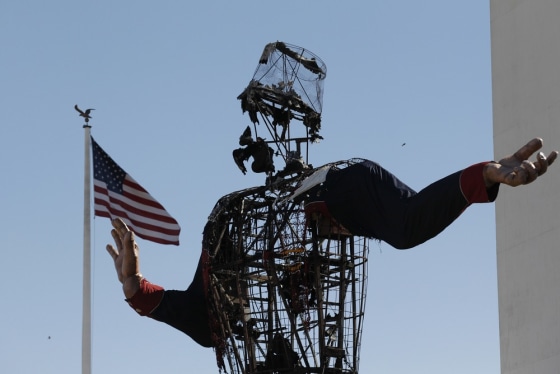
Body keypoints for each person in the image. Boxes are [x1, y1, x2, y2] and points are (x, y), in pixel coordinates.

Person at [106, 137, 557, 348]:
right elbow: (208, 322)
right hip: (326, 209)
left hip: (337, 196)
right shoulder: (232, 228)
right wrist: (134, 286)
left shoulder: (241, 225)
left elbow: (408, 223)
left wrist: (482, 175)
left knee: (401, 230)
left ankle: (484, 175)